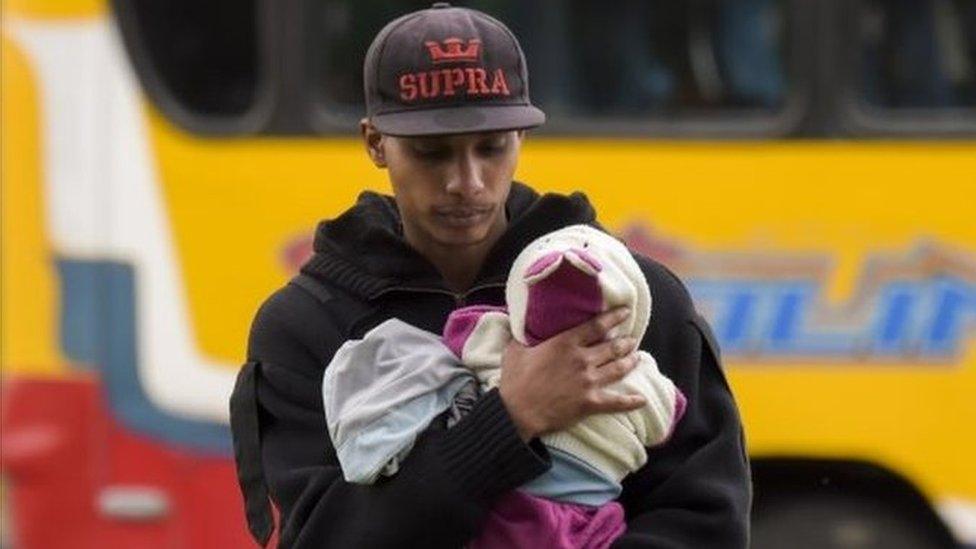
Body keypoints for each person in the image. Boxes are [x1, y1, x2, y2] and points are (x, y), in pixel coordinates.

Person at [229, 3, 751, 548]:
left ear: (521, 139)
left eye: (491, 147)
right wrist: (509, 418)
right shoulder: (306, 325)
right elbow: (325, 537)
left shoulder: (629, 296)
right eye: (433, 153)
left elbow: (705, 519)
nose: (467, 182)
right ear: (375, 143)